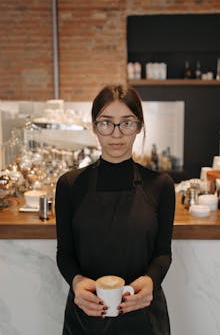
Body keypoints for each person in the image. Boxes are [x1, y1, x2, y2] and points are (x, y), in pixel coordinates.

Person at [55, 84, 175, 335]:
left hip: (144, 318)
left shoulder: (160, 185)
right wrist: (77, 283)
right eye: (106, 123)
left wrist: (150, 281)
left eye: (127, 123)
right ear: (94, 127)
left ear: (139, 126)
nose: (116, 134)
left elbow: (163, 253)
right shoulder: (69, 185)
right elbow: (65, 253)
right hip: (86, 318)